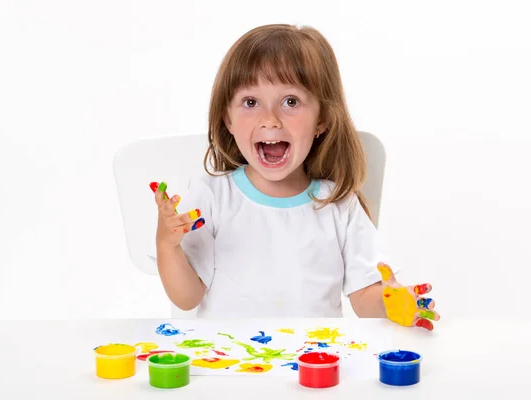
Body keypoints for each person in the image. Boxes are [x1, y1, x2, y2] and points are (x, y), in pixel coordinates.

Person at [151, 24, 440, 330]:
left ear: (322, 120)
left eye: (290, 101)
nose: (270, 119)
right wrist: (166, 245)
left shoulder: (338, 204)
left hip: (314, 366)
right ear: (228, 119)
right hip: (230, 365)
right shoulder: (210, 197)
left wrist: (390, 302)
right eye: (251, 102)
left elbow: (365, 295)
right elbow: (187, 298)